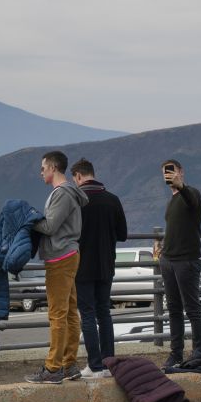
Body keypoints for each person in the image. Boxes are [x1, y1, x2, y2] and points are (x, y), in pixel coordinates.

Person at [26, 151, 88, 384]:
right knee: (70, 311)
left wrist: (30, 219)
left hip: (60, 256)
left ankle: (53, 368)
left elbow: (51, 226)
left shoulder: (61, 194)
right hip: (69, 253)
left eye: (43, 168)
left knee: (57, 313)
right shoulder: (68, 192)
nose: (41, 172)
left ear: (53, 168)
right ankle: (69, 363)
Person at [71, 158, 127, 378]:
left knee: (87, 314)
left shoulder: (76, 201)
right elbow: (122, 234)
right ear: (92, 173)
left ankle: (94, 365)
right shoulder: (112, 200)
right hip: (106, 264)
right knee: (104, 312)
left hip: (82, 265)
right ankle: (109, 363)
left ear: (78, 177)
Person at [159, 159, 201, 369]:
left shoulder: (192, 194)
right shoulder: (171, 201)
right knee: (174, 310)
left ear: (181, 172)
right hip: (168, 261)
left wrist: (182, 186)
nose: (168, 175)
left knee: (192, 308)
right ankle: (176, 354)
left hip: (187, 261)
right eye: (165, 173)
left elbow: (192, 202)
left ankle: (198, 353)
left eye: (172, 171)